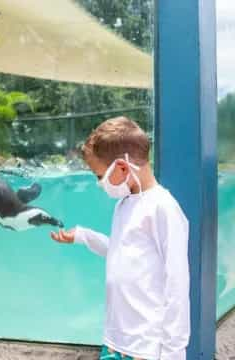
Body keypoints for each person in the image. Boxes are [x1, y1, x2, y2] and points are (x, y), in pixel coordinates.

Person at [51, 117, 190, 360]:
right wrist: (85, 236)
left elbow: (177, 283)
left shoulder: (163, 208)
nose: (99, 184)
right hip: (116, 342)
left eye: (99, 176)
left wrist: (173, 353)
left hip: (147, 349)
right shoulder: (125, 204)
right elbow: (122, 253)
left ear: (122, 167)